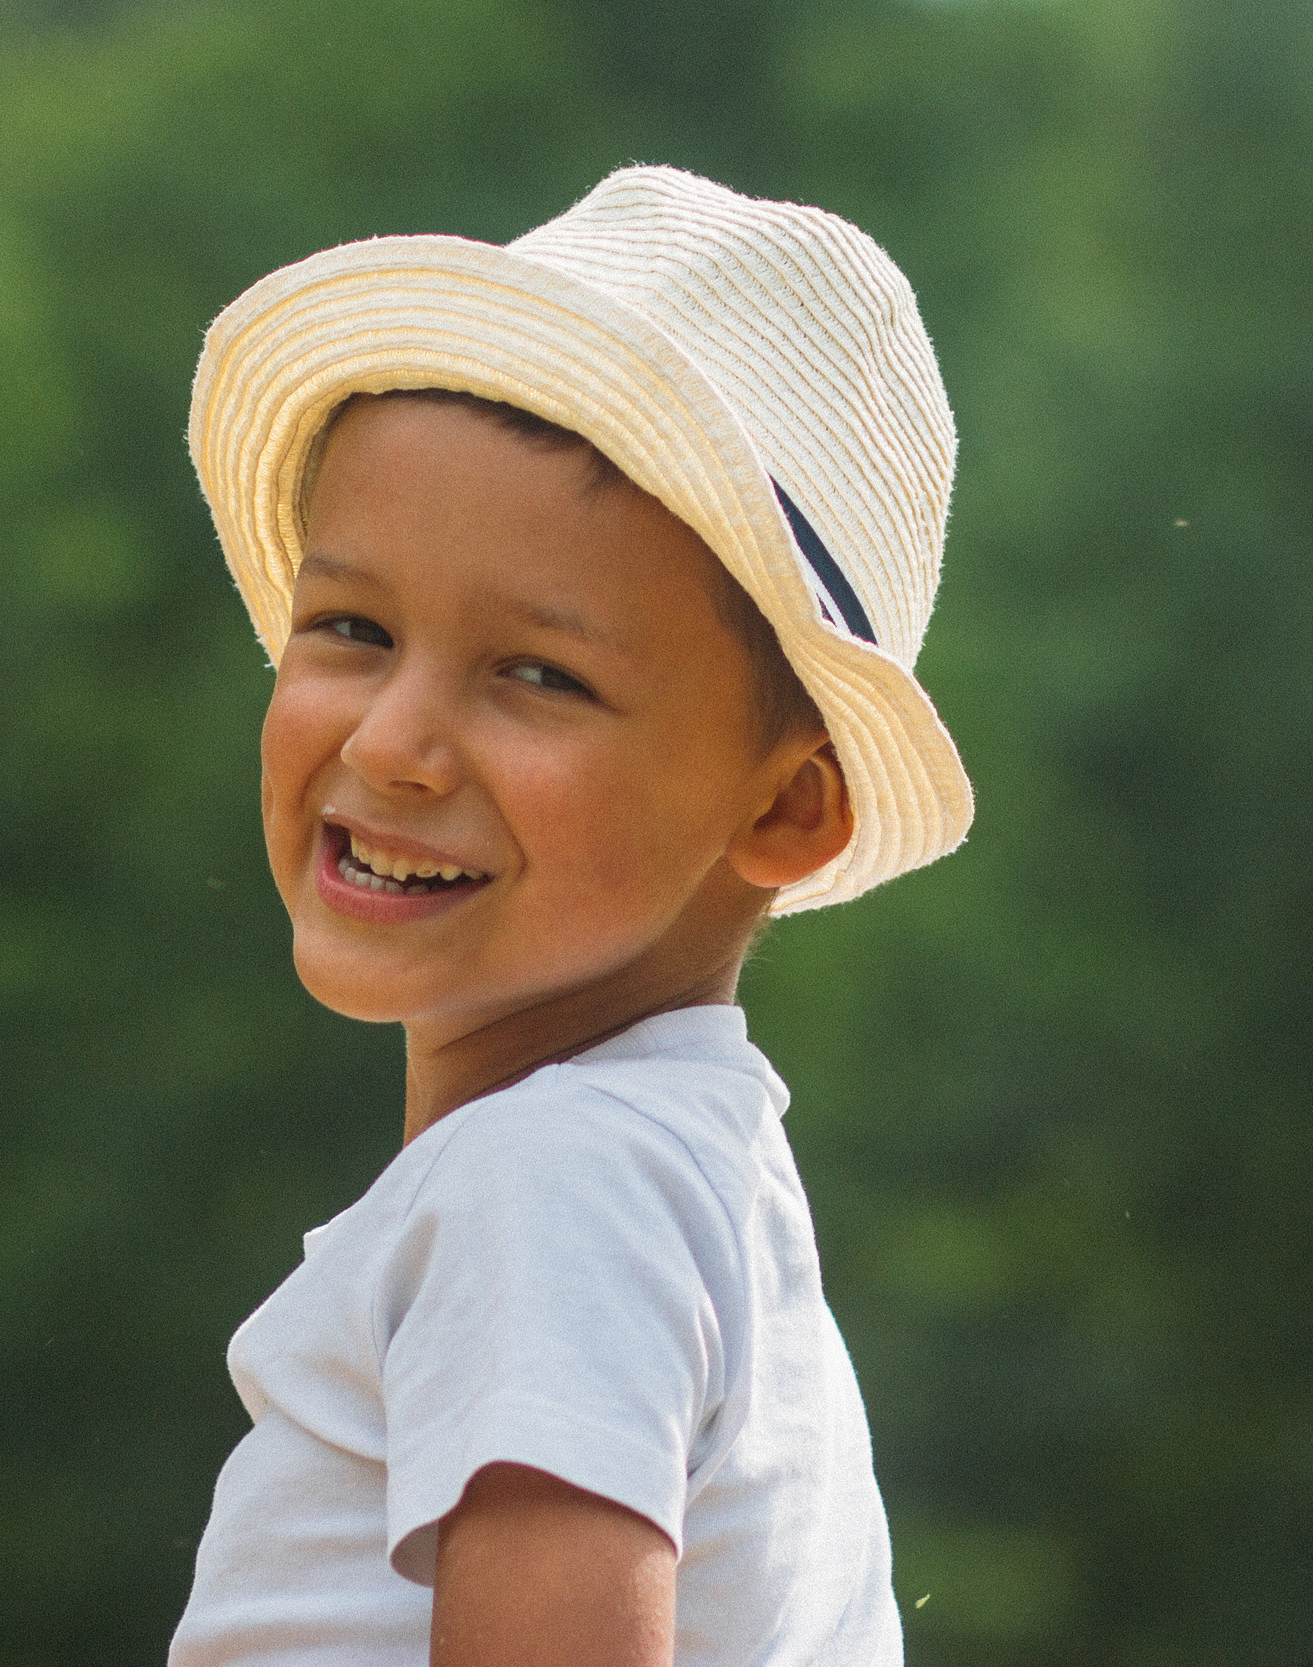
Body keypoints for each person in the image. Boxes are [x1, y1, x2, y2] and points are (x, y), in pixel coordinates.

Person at [167, 166, 974, 1666]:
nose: (395, 741)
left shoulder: (553, 1184)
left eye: (538, 674)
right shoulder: (669, 1171)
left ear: (787, 807)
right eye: (353, 629)